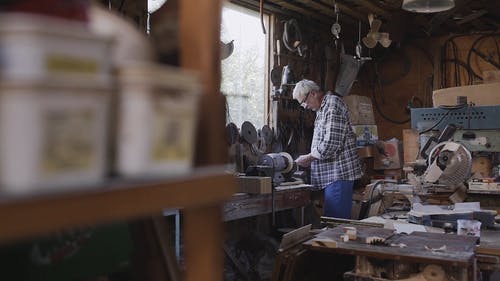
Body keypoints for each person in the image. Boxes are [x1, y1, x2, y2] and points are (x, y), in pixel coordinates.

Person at [293, 79, 362, 219]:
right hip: (331, 176)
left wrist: (308, 157)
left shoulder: (332, 105)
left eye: (304, 102)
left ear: (313, 93)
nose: (305, 106)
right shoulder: (322, 109)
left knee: (336, 224)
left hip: (338, 174)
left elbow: (331, 143)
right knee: (332, 222)